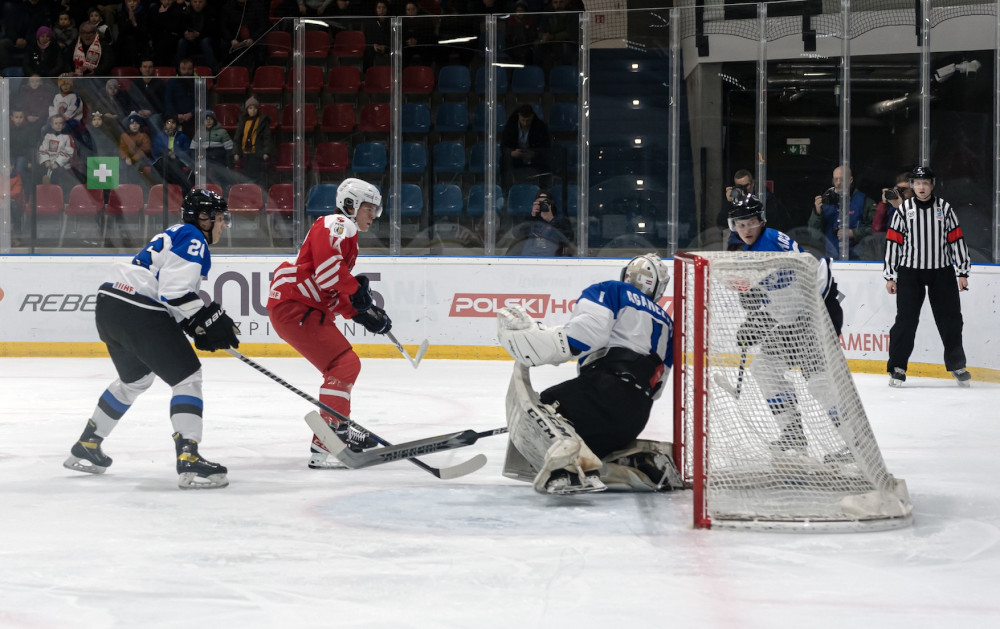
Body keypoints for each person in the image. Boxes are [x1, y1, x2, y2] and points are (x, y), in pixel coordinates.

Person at [63, 189, 239, 489]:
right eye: (220, 218)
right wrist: (202, 320)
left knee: (135, 381)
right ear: (204, 219)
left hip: (110, 303)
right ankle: (189, 458)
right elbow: (174, 292)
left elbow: (167, 294)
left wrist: (196, 324)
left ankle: (89, 444)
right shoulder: (194, 238)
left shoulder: (175, 233)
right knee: (188, 377)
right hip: (137, 308)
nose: (223, 225)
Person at [496, 253, 682, 495]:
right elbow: (658, 386)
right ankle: (630, 463)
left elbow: (581, 337)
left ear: (626, 275)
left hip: (604, 390)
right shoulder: (667, 322)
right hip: (636, 414)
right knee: (587, 437)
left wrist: (532, 339)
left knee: (548, 404)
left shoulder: (613, 290)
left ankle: (567, 471)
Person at [266, 178, 392, 470]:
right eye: (369, 208)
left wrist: (362, 313)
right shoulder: (337, 224)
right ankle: (334, 432)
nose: (373, 215)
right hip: (296, 307)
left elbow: (331, 289)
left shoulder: (347, 235)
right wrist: (356, 293)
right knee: (343, 365)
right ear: (351, 205)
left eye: (375, 209)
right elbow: (327, 273)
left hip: (301, 307)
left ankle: (330, 436)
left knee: (343, 365)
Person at [727, 193, 845, 455]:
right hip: (795, 320)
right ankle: (792, 433)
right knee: (765, 368)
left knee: (819, 382)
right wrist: (758, 319)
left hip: (815, 315)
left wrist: (758, 319)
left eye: (750, 223)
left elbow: (790, 297)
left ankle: (854, 441)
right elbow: (780, 298)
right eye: (740, 224)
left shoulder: (765, 247)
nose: (745, 229)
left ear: (761, 221)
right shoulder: (758, 246)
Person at [884, 166, 972, 387]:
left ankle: (957, 365)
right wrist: (890, 275)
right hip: (909, 271)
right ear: (912, 186)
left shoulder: (945, 208)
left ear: (932, 185)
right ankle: (897, 367)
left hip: (941, 271)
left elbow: (956, 239)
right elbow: (893, 242)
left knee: (951, 318)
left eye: (925, 183)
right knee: (906, 320)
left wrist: (962, 271)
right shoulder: (904, 210)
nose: (921, 188)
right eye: (917, 183)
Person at [809, 165, 876, 260]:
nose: (838, 183)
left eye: (842, 179)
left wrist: (854, 233)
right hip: (830, 260)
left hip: (858, 261)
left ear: (850, 180)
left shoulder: (864, 202)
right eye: (835, 179)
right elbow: (814, 235)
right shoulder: (826, 202)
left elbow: (876, 230)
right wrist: (817, 213)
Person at [502, 190, 575, 256]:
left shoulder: (561, 220)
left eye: (545, 203)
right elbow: (518, 235)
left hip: (552, 255)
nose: (543, 206)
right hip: (530, 255)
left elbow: (567, 238)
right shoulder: (530, 220)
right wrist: (532, 216)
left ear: (551, 204)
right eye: (540, 203)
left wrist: (550, 219)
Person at [500, 104, 551, 185]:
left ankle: (543, 187)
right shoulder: (511, 126)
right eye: (523, 120)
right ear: (519, 116)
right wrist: (511, 153)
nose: (525, 123)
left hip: (534, 158)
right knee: (504, 160)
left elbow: (546, 148)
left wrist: (534, 153)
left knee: (546, 160)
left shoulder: (540, 126)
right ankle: (507, 188)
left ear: (532, 117)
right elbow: (504, 146)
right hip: (515, 158)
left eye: (528, 120)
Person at [232, 96, 273, 186]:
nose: (253, 110)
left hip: (256, 153)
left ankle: (255, 194)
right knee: (246, 176)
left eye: (255, 108)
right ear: (247, 109)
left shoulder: (262, 121)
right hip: (244, 154)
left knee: (254, 177)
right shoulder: (243, 121)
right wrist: (236, 152)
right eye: (250, 108)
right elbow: (237, 138)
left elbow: (267, 137)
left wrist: (266, 152)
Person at [37, 114, 77, 194]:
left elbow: (69, 151)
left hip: (62, 165)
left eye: (60, 123)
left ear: (63, 125)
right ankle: (46, 195)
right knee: (43, 176)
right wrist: (46, 160)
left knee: (59, 178)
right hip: (49, 164)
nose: (58, 125)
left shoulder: (67, 137)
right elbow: (42, 149)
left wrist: (57, 163)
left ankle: (59, 196)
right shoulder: (48, 136)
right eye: (56, 123)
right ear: (52, 125)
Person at [151, 115, 193, 190]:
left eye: (173, 122)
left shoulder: (182, 137)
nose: (170, 125)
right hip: (163, 160)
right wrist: (167, 153)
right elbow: (155, 149)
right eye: (168, 122)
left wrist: (176, 155)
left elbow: (187, 152)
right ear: (165, 125)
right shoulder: (160, 136)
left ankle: (177, 190)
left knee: (174, 166)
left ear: (176, 125)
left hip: (178, 161)